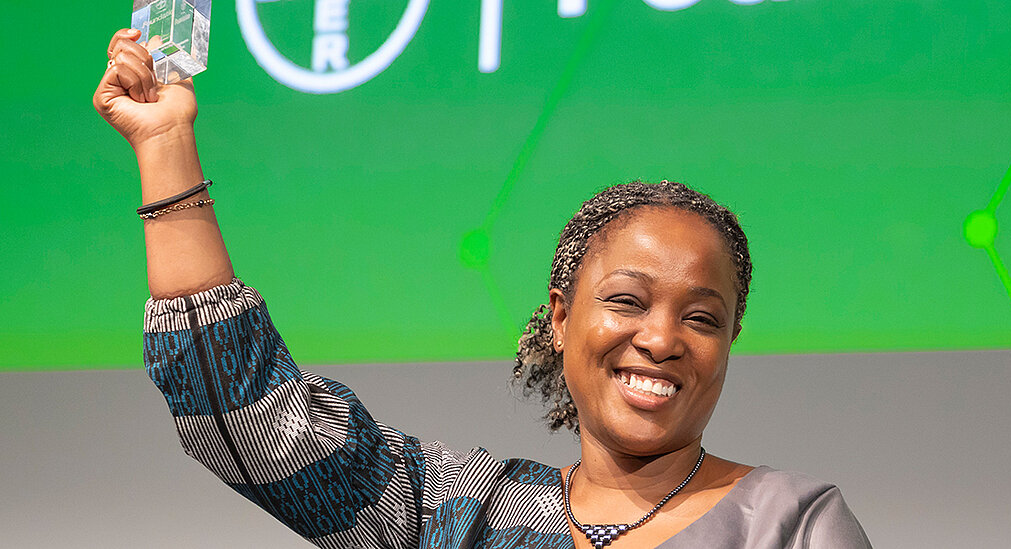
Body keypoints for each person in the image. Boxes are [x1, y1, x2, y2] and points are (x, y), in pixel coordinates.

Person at [95, 28, 872, 549]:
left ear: (730, 340)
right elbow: (247, 411)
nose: (662, 338)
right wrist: (166, 145)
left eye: (701, 317)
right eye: (627, 300)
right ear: (561, 316)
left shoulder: (790, 523)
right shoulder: (458, 512)